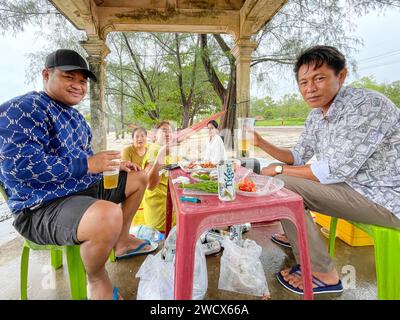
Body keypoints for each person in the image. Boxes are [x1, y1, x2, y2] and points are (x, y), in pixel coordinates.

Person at [0, 49, 158, 300]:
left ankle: (122, 240)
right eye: (69, 77)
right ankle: (97, 279)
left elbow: (87, 160)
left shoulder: (75, 117)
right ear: (46, 74)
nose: (78, 85)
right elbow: (20, 168)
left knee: (138, 178)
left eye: (82, 81)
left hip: (78, 190)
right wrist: (88, 164)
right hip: (40, 206)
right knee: (108, 214)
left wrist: (111, 167)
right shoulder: (22, 109)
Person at [251, 45, 400, 295]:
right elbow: (297, 156)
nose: (310, 88)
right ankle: (297, 233)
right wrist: (261, 143)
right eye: (303, 82)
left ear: (340, 76)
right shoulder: (317, 115)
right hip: (352, 187)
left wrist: (276, 170)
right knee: (281, 175)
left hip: (384, 197)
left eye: (319, 78)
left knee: (281, 183)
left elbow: (331, 171)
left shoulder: (365, 106)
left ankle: (322, 272)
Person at [142, 121, 178, 231]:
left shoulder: (167, 151)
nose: (167, 134)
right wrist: (161, 154)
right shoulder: (155, 150)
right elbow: (150, 184)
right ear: (155, 135)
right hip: (159, 213)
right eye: (164, 130)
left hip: (169, 207)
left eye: (170, 131)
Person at [121, 127, 148, 226]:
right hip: (131, 184)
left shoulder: (150, 151)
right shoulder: (127, 150)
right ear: (133, 139)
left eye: (142, 136)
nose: (139, 139)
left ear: (146, 138)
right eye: (137, 136)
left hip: (146, 184)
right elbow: (126, 170)